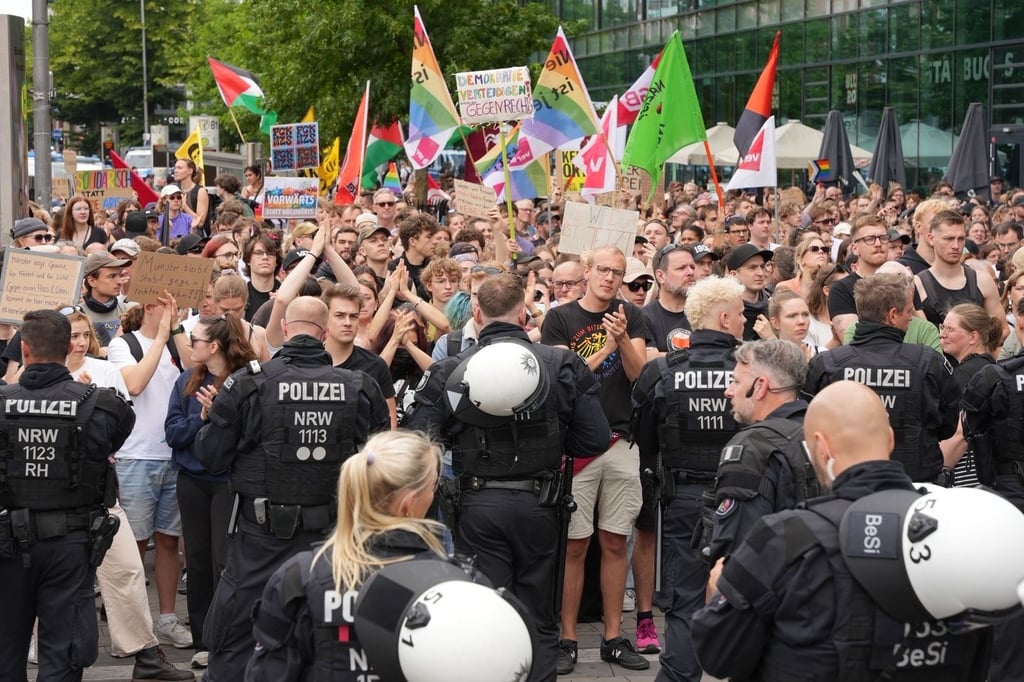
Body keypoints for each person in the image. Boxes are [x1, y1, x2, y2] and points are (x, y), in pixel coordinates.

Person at [692, 381, 992, 681]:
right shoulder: (959, 534)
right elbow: (979, 659)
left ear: (821, 448)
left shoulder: (783, 538)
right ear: (889, 440)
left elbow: (718, 656)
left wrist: (722, 589)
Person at [407, 273, 611, 682]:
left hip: (476, 505)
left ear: (477, 314)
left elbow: (418, 440)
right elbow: (595, 438)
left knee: (487, 612)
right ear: (523, 313)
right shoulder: (561, 363)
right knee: (539, 613)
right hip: (541, 505)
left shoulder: (450, 367)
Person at [194, 296, 390, 681]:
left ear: (285, 328)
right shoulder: (359, 386)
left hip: (260, 535)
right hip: (334, 538)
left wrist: (213, 419)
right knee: (333, 630)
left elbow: (211, 457)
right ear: (325, 331)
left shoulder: (248, 383)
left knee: (236, 632)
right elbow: (380, 463)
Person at [246, 431, 448, 680]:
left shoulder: (300, 577)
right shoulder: (457, 584)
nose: (433, 495)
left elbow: (267, 674)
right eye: (432, 486)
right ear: (410, 502)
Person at [0, 309, 135, 679]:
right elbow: (118, 434)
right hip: (70, 545)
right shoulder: (100, 403)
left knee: (5, 649)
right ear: (69, 348)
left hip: (8, 543)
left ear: (24, 350)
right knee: (63, 652)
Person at [65, 309, 194, 681]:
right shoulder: (37, 376)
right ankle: (42, 646)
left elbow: (119, 424)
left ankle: (144, 652)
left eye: (83, 335)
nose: (78, 342)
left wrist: (91, 401)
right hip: (54, 494)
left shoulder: (102, 370)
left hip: (100, 489)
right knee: (58, 573)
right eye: (70, 336)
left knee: (127, 570)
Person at [541, 246, 650, 674]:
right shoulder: (560, 318)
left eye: (617, 273)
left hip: (622, 441)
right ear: (586, 271)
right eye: (603, 269)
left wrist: (623, 338)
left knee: (614, 541)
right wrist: (605, 346)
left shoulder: (632, 316)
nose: (609, 278)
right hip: (577, 447)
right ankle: (567, 638)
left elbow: (640, 374)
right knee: (574, 545)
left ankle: (612, 636)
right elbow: (564, 379)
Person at [631, 276, 746, 682]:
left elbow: (644, 440)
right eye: (742, 312)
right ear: (726, 317)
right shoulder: (754, 369)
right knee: (752, 595)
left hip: (683, 499)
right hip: (745, 501)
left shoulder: (661, 370)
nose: (746, 319)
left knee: (684, 600)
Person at [164, 314, 259, 669]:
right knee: (198, 561)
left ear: (213, 346)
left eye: (195, 341)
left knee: (224, 560)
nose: (190, 346)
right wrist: (200, 419)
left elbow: (251, 437)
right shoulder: (186, 380)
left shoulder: (245, 381)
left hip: (227, 482)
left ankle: (227, 639)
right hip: (191, 480)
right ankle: (203, 638)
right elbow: (172, 433)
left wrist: (220, 414)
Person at [805, 272, 960, 483]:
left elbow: (809, 427)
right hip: (913, 484)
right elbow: (947, 425)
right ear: (893, 315)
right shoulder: (928, 362)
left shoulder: (826, 364)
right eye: (908, 311)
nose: (911, 316)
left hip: (847, 483)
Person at [109, 293, 196, 650]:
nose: (180, 312)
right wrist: (161, 335)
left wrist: (175, 329)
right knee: (134, 545)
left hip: (173, 454)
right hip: (136, 456)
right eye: (170, 305)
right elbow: (134, 384)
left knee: (168, 541)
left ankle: (166, 618)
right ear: (149, 307)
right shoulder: (122, 344)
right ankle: (133, 628)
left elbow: (194, 375)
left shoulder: (179, 340)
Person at [705, 338, 818, 566]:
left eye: (736, 381)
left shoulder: (750, 447)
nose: (728, 391)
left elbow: (738, 549)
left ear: (760, 386)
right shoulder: (822, 433)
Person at [962, 300, 1024, 680]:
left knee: (1008, 601)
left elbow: (969, 430)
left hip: (1008, 500)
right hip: (1009, 495)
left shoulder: (996, 377)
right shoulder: (996, 376)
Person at [914, 210, 1005, 329]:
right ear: (931, 239)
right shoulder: (918, 284)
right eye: (949, 239)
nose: (956, 246)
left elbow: (1002, 330)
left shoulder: (982, 281)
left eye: (961, 239)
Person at [644, 245, 698, 354]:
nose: (690, 272)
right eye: (681, 268)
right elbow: (649, 362)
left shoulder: (706, 313)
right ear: (661, 276)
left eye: (692, 267)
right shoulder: (645, 317)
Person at [723, 244, 773, 341]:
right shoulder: (725, 311)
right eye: (752, 268)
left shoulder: (774, 305)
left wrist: (771, 338)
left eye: (762, 267)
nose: (760, 273)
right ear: (734, 274)